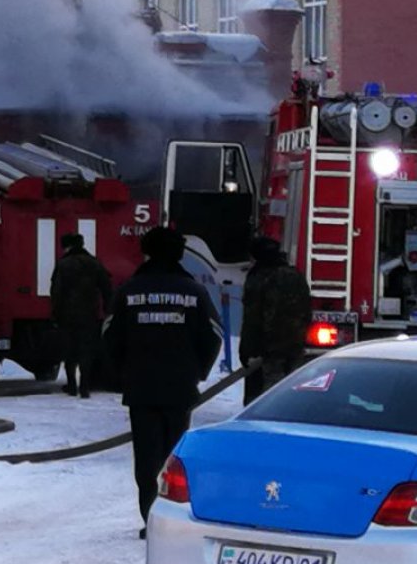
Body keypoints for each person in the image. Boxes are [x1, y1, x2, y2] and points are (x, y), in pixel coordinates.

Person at [103, 226, 222, 538]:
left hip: (141, 389)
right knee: (174, 457)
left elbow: (108, 337)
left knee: (147, 459)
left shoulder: (129, 292)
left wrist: (123, 373)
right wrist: (197, 370)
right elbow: (214, 335)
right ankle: (174, 519)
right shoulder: (193, 292)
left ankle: (151, 519)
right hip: (179, 389)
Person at [238, 236, 312, 406]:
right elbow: (307, 311)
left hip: (267, 351)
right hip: (295, 347)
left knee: (266, 400)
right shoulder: (295, 275)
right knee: (292, 393)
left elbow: (252, 319)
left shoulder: (259, 277)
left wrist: (246, 351)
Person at [49, 232, 114, 397]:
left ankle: (71, 385)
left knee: (69, 351)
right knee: (86, 350)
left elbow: (56, 292)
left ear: (67, 246)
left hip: (67, 314)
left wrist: (55, 314)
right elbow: (106, 287)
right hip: (90, 313)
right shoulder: (94, 263)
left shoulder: (63, 264)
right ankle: (84, 386)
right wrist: (108, 309)